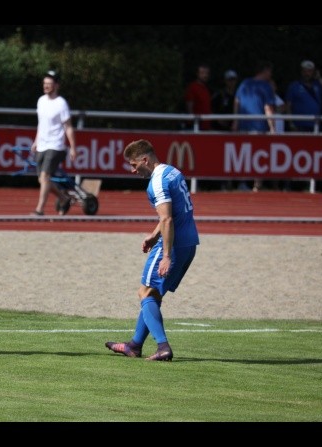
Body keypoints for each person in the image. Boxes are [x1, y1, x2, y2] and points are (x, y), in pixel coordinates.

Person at [105, 139, 200, 362]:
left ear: (145, 159)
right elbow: (174, 213)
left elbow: (167, 218)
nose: (132, 169)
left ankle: (162, 346)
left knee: (145, 293)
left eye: (134, 164)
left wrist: (166, 255)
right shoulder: (172, 172)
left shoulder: (156, 182)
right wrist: (154, 234)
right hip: (189, 244)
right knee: (153, 295)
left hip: (174, 245)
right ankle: (135, 345)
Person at [30, 70, 77, 216]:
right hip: (42, 144)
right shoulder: (41, 101)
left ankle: (39, 209)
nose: (46, 86)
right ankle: (63, 198)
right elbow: (41, 124)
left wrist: (73, 147)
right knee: (42, 179)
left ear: (56, 85)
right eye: (45, 84)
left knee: (45, 177)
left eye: (49, 84)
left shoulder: (61, 103)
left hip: (56, 145)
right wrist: (36, 141)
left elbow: (68, 127)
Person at [232, 60, 276, 192]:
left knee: (243, 156)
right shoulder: (265, 86)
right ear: (265, 71)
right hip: (258, 127)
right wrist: (272, 127)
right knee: (259, 156)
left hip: (243, 126)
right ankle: (257, 185)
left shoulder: (245, 83)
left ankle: (243, 183)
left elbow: (236, 102)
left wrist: (235, 121)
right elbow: (268, 108)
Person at [285, 60, 322, 132]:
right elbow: (288, 105)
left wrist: (319, 78)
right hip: (299, 124)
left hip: (315, 124)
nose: (307, 74)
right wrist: (290, 122)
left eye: (309, 71)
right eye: (304, 71)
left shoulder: (317, 85)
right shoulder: (294, 86)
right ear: (301, 72)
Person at [184, 63, 212, 131]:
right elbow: (189, 105)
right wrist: (192, 121)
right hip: (196, 127)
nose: (205, 75)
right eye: (202, 73)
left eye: (206, 73)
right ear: (197, 74)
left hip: (206, 126)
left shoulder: (206, 89)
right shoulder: (192, 87)